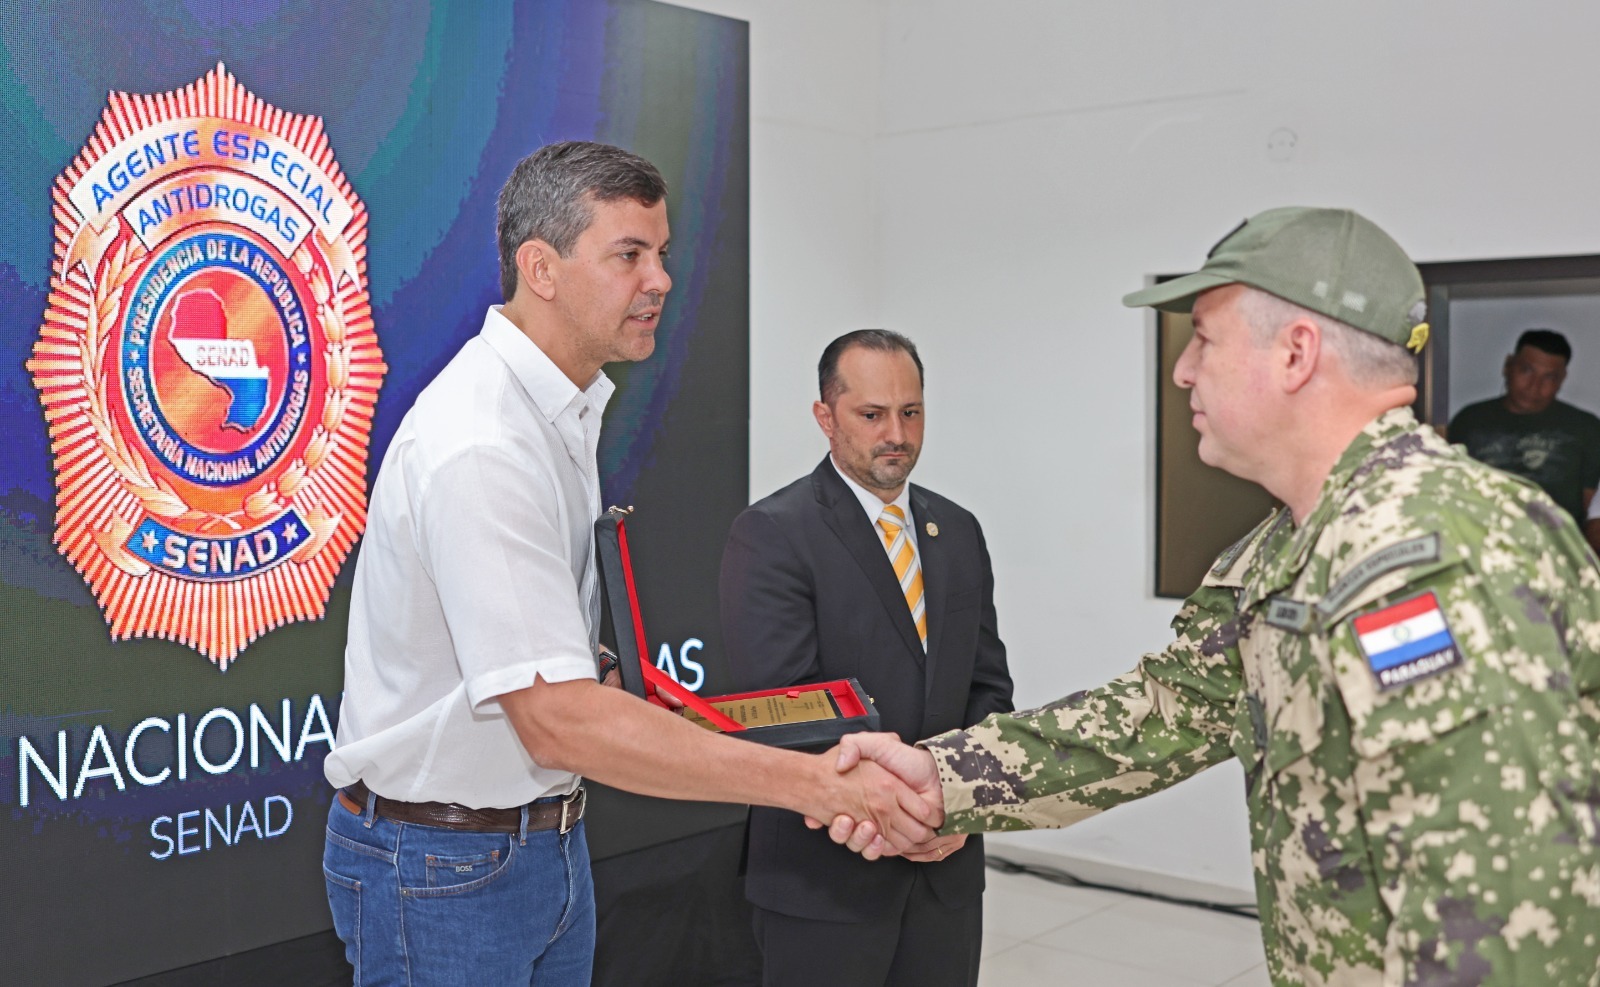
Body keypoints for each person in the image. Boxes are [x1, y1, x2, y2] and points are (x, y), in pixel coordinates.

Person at [819, 208, 1600, 986]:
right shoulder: (1284, 546)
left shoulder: (1438, 553)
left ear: (1297, 353)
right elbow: (1161, 712)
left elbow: (1505, 916)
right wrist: (941, 776)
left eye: (1205, 339)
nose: (1184, 369)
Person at [320, 141, 941, 987]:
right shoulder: (482, 442)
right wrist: (817, 786)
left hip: (536, 840)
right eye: (629, 255)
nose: (661, 280)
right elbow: (559, 719)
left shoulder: (558, 410)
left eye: (662, 254)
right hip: (445, 870)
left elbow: (554, 674)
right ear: (540, 267)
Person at [720, 330, 1015, 987]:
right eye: (872, 414)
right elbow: (782, 712)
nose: (897, 434)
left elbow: (988, 687)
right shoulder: (774, 533)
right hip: (824, 876)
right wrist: (904, 811)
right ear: (826, 417)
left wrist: (960, 800)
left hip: (946, 870)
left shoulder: (958, 528)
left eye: (910, 412)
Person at [1447, 329, 1600, 521]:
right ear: (1508, 366)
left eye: (1549, 377)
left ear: (1562, 379)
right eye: (1526, 371)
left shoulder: (1585, 428)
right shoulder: (1469, 421)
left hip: (1557, 543)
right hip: (1483, 538)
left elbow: (1593, 513)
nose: (1534, 386)